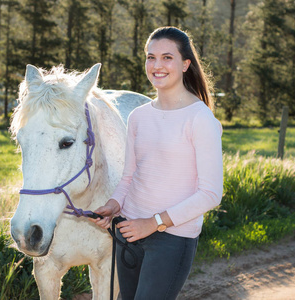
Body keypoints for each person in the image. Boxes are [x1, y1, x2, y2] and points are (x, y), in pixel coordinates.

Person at [90, 26, 223, 299]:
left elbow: (210, 194)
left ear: (186, 64)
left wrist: (153, 223)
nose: (157, 65)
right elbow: (129, 176)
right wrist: (114, 205)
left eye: (167, 57)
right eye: (151, 57)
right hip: (129, 230)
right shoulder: (138, 117)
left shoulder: (200, 119)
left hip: (172, 239)